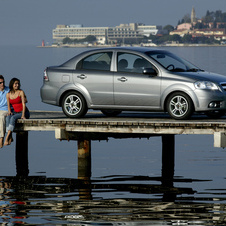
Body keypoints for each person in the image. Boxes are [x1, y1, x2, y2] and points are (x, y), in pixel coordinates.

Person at [4, 78, 29, 146]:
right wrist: (9, 112)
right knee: (8, 118)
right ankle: (10, 136)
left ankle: (7, 137)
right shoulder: (8, 94)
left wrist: (23, 115)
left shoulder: (21, 92)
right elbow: (8, 105)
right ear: (12, 84)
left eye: (18, 84)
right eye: (15, 84)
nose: (17, 85)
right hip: (15, 112)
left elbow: (24, 104)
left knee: (13, 118)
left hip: (24, 112)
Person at [0, 75, 10, 148]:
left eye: (3, 82)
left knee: (2, 117)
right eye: (0, 83)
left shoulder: (8, 90)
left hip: (6, 109)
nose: (2, 84)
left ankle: (1, 138)